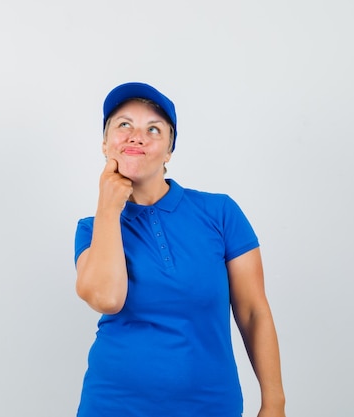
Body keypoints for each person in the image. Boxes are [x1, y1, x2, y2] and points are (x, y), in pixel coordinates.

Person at [74, 82, 285, 417]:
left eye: (153, 129)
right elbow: (106, 298)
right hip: (113, 405)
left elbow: (253, 312)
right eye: (124, 124)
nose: (136, 136)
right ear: (105, 143)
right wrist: (109, 208)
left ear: (169, 151)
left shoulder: (220, 213)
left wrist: (274, 404)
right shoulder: (92, 227)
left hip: (210, 406)